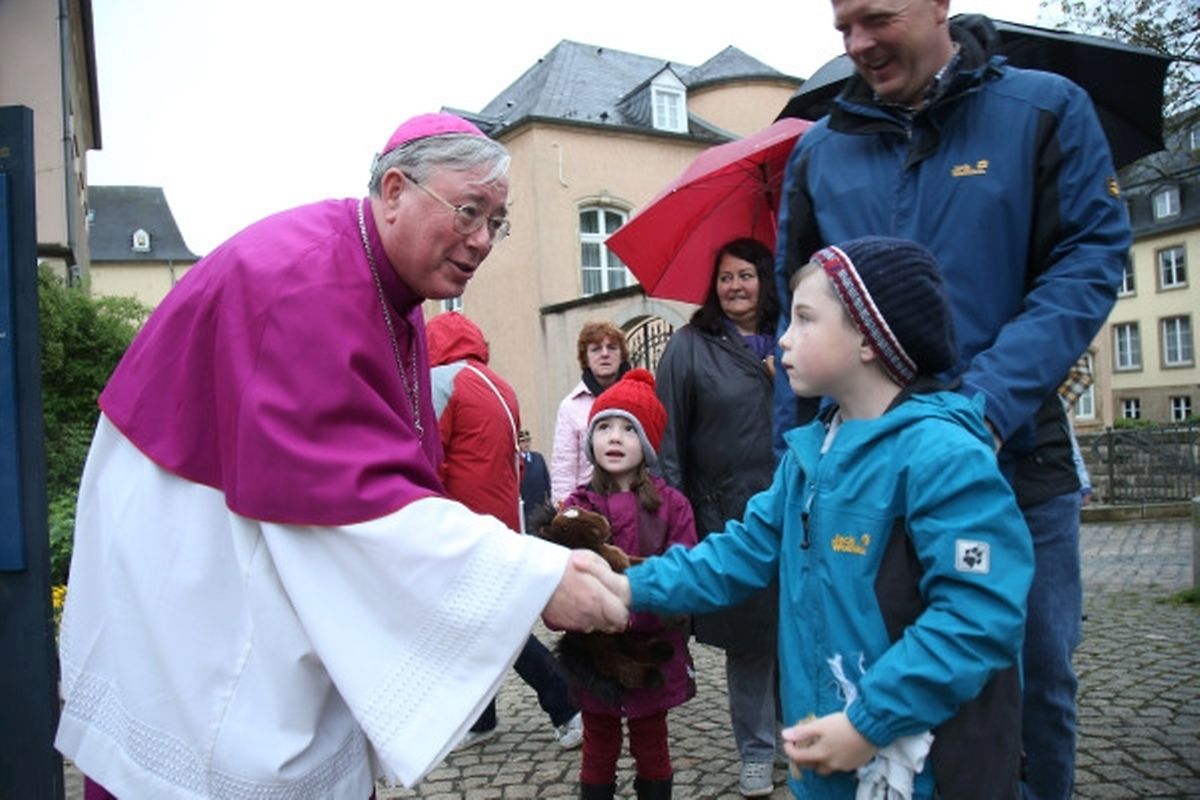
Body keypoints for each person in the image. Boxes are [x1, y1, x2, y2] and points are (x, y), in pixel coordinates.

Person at [55, 112, 628, 799]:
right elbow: (354, 506)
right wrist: (534, 577)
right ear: (394, 190)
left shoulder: (392, 289)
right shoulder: (307, 283)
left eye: (497, 222)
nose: (482, 241)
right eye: (469, 211)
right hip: (199, 555)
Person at [772, 4, 1131, 797]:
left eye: (876, 18)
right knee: (865, 674)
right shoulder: (820, 152)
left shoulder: (1043, 109)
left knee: (1032, 679)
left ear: (937, 4)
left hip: (1016, 457)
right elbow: (789, 313)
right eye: (842, 29)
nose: (859, 44)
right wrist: (790, 468)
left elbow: (1091, 256)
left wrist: (988, 403)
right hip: (864, 474)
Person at [623, 236, 1034, 799]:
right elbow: (739, 550)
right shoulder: (810, 454)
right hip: (827, 759)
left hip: (925, 772)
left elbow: (978, 612)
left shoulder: (944, 458)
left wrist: (870, 719)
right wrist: (630, 586)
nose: (784, 338)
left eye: (805, 320)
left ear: (869, 338)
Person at [654, 238, 783, 797]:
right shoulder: (689, 346)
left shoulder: (797, 334)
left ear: (766, 280)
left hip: (798, 509)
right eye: (726, 277)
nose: (735, 286)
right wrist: (676, 519)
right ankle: (756, 749)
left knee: (802, 633)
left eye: (747, 276)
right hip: (728, 514)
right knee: (750, 638)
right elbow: (669, 439)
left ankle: (803, 738)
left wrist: (787, 382)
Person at [427, 310, 584, 751]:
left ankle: (564, 702)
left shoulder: (442, 380)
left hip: (461, 521)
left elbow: (430, 455)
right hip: (499, 516)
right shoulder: (498, 384)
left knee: (494, 625)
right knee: (476, 622)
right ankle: (483, 718)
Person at [561, 368, 698, 800]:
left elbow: (684, 570)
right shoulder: (576, 507)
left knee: (651, 744)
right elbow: (562, 573)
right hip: (594, 651)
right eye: (604, 427)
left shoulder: (672, 505)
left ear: (649, 444)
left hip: (651, 648)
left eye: (628, 429)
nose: (615, 438)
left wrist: (642, 608)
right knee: (598, 747)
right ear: (591, 440)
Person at [551, 322, 631, 505]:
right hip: (590, 507)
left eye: (612, 347)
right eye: (596, 349)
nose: (605, 354)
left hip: (635, 503)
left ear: (622, 355)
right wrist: (566, 515)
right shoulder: (570, 407)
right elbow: (564, 470)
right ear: (585, 358)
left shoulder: (640, 398)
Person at [519, 429, 553, 526]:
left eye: (528, 441)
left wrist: (549, 498)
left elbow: (546, 479)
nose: (526, 444)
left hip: (539, 503)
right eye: (522, 441)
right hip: (525, 505)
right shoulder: (516, 460)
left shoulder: (538, 457)